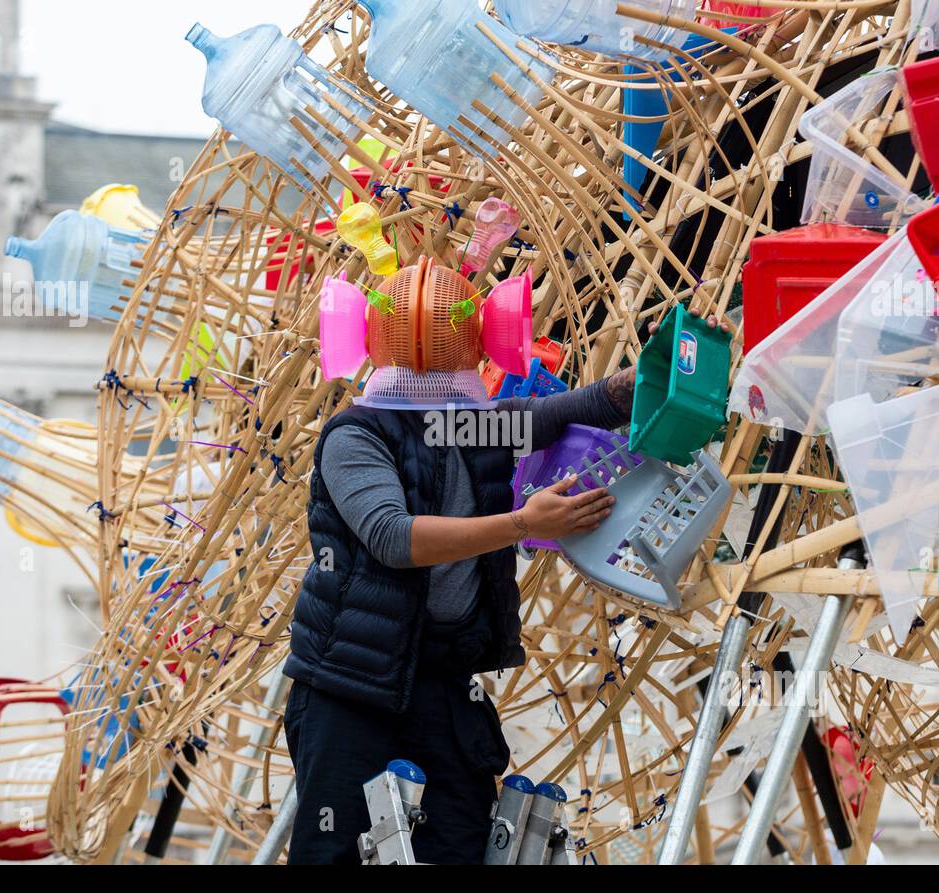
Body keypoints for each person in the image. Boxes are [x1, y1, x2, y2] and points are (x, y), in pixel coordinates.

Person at [282, 315, 724, 864]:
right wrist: (522, 522)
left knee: (460, 844)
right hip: (351, 685)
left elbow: (570, 411)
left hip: (442, 682)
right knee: (336, 850)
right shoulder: (357, 434)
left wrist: (652, 376)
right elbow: (394, 537)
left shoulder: (466, 425)